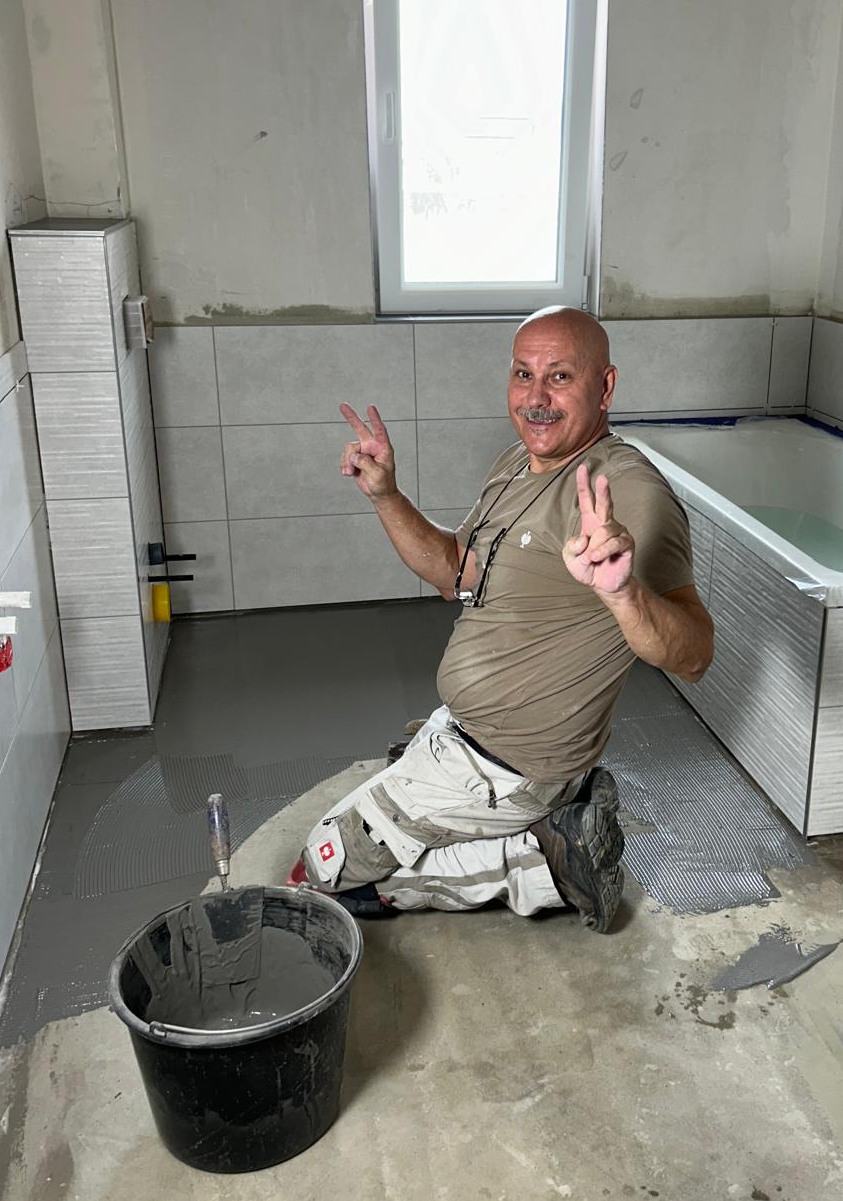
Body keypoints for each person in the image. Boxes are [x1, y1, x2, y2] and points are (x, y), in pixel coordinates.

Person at [289, 306, 714, 933]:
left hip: (511, 766)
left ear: (605, 387)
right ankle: (539, 817)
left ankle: (544, 861)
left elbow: (695, 655)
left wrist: (623, 593)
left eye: (560, 377)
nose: (536, 398)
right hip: (468, 732)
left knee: (317, 873)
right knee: (364, 827)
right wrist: (385, 494)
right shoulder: (517, 462)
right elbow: (454, 573)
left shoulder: (624, 491)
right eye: (523, 374)